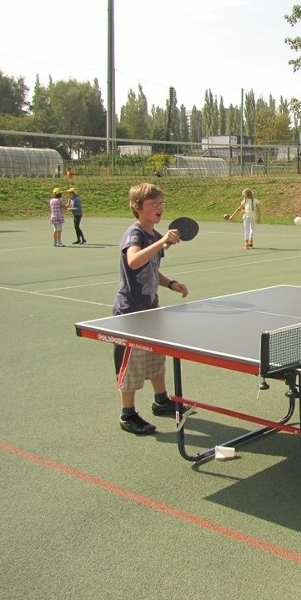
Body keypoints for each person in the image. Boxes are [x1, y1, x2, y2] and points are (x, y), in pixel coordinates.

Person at [113, 182, 190, 435]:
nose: (159, 207)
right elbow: (134, 261)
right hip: (130, 312)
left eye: (161, 203)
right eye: (153, 204)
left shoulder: (155, 236)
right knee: (132, 365)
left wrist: (171, 283)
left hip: (150, 309)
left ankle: (162, 401)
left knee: (157, 358)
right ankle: (128, 414)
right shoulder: (134, 234)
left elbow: (150, 270)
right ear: (137, 207)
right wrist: (163, 242)